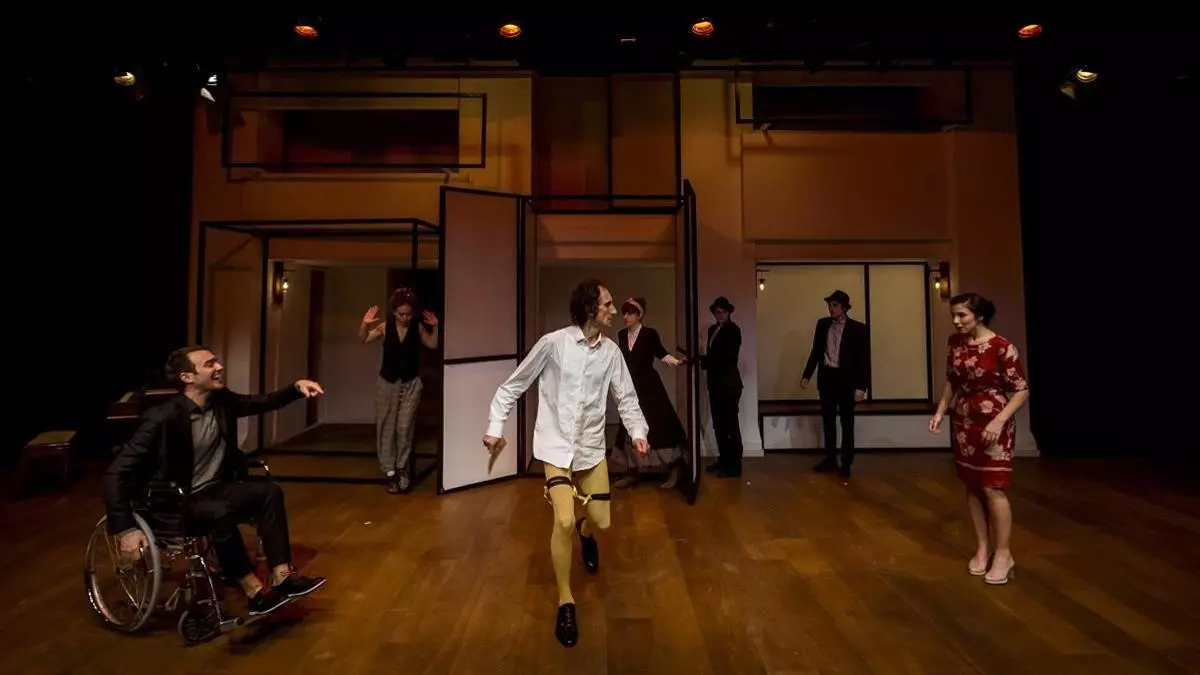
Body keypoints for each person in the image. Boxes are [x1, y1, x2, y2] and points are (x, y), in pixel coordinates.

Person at [482, 279, 649, 648]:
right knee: (562, 519)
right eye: (607, 304)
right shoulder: (553, 344)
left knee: (602, 521)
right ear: (590, 309)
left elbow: (626, 397)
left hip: (590, 449)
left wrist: (638, 431)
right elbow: (512, 386)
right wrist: (495, 427)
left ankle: (586, 533)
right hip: (556, 448)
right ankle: (565, 601)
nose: (613, 310)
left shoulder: (611, 352)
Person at [103, 346, 328, 616]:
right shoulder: (162, 417)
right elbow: (116, 472)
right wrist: (125, 528)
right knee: (218, 512)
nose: (219, 367)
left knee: (269, 492)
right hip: (174, 502)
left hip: (213, 490)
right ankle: (254, 592)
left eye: (217, 362)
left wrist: (295, 388)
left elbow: (263, 402)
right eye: (210, 364)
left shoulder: (222, 401)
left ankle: (283, 576)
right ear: (187, 377)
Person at [929, 293, 1029, 585]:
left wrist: (999, 421)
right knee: (972, 484)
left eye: (962, 315)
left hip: (994, 422)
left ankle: (1004, 553)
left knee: (992, 486)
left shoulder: (1002, 347)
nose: (956, 321)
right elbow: (952, 380)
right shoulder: (956, 343)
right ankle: (983, 547)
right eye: (954, 315)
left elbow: (1021, 390)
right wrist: (940, 411)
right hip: (964, 420)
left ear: (980, 315)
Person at [360, 287, 439, 493]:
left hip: (411, 383)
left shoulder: (417, 328)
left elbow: (432, 344)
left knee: (404, 426)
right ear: (394, 312)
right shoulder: (385, 328)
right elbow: (363, 338)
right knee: (386, 427)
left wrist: (435, 327)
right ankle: (390, 472)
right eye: (401, 314)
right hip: (387, 383)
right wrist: (365, 323)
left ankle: (402, 467)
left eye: (408, 314)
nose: (405, 318)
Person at [611, 297, 688, 490]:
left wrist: (676, 362)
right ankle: (632, 470)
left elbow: (661, 353)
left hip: (650, 387)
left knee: (658, 426)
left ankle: (675, 468)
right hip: (630, 386)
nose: (626, 316)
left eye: (630, 313)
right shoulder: (621, 335)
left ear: (640, 315)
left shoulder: (649, 334)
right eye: (624, 313)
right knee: (629, 426)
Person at [800, 290, 870, 481]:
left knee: (847, 422)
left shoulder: (858, 329)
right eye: (829, 305)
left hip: (846, 380)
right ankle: (830, 458)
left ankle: (846, 462)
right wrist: (807, 375)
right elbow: (816, 351)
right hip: (827, 378)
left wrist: (861, 387)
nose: (831, 308)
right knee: (828, 421)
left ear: (844, 308)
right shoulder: (823, 324)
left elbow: (863, 360)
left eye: (835, 305)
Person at [698, 296, 743, 478]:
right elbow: (711, 356)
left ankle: (734, 466)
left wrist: (705, 360)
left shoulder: (733, 330)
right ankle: (724, 460)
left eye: (723, 312)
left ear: (729, 312)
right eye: (717, 312)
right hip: (715, 383)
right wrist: (701, 360)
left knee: (730, 425)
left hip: (729, 384)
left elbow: (729, 357)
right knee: (719, 425)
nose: (720, 315)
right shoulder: (712, 330)